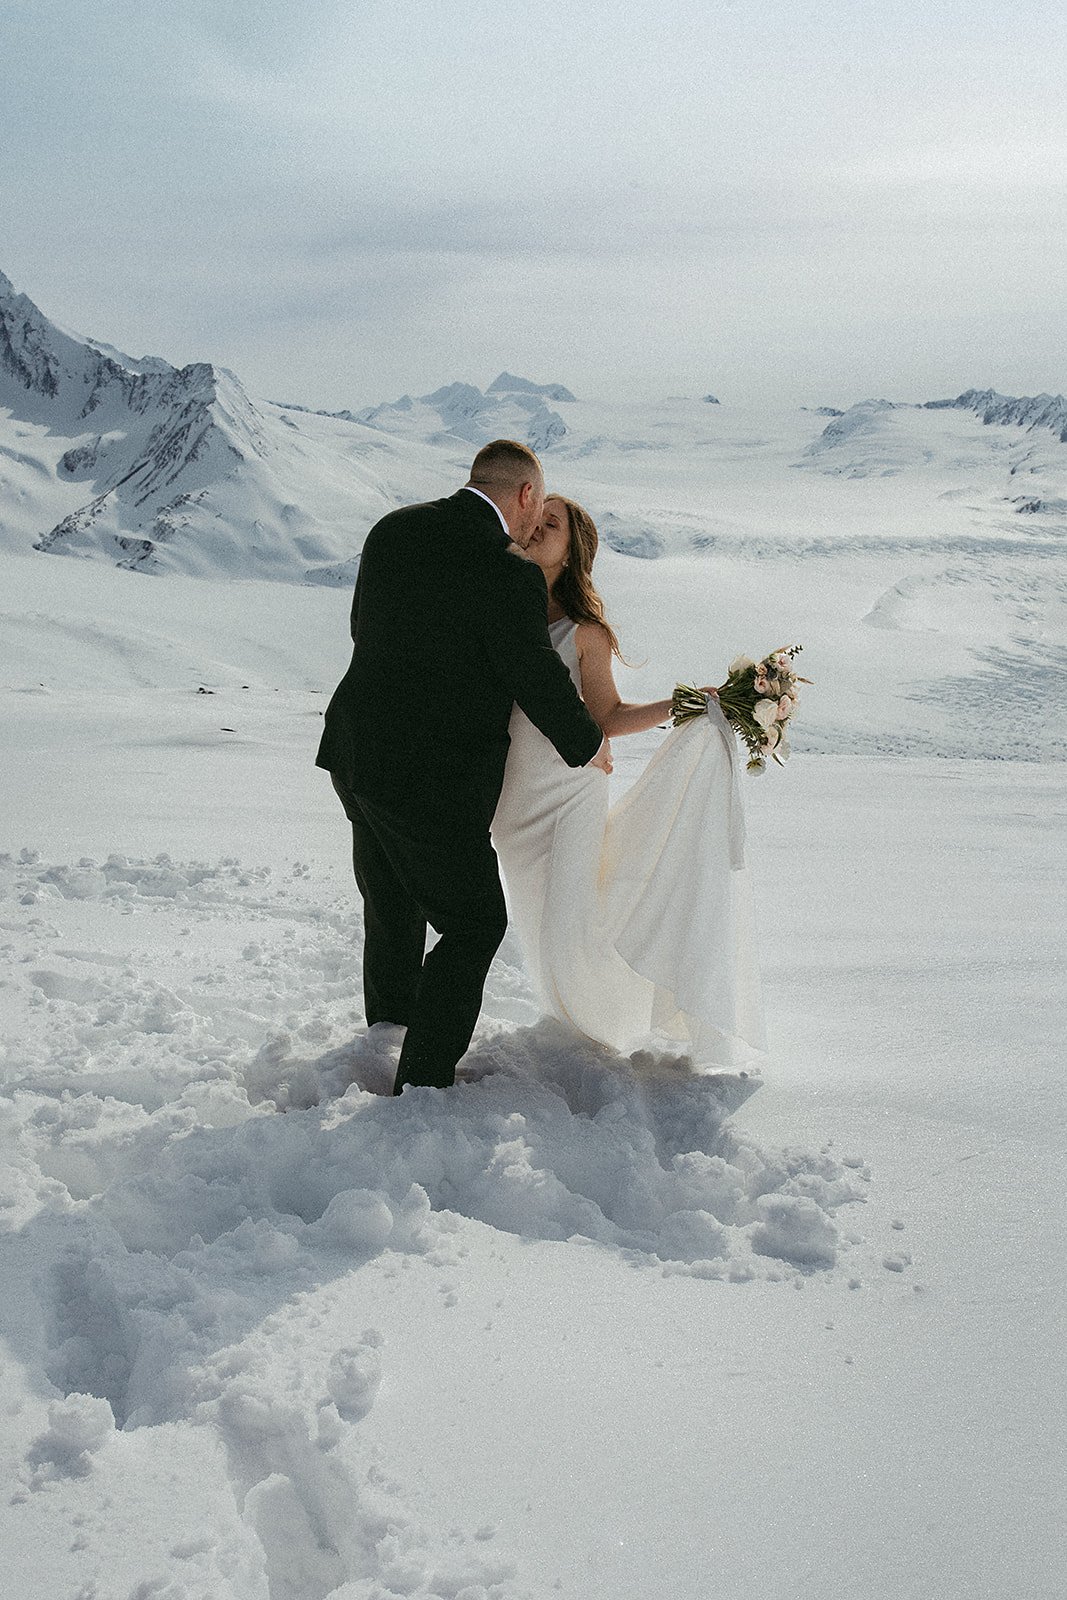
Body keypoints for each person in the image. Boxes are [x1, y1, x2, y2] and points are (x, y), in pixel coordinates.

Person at [316, 442, 610, 1094]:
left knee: (391, 902)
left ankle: (386, 1037)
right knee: (475, 923)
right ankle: (420, 1088)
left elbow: (364, 626)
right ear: (527, 495)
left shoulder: (393, 529)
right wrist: (588, 743)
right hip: (428, 775)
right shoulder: (508, 574)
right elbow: (535, 677)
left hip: (352, 750)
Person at [492, 494, 766, 1070]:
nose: (538, 526)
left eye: (553, 524)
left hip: (573, 790)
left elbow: (607, 717)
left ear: (572, 552)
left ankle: (601, 1030)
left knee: (570, 924)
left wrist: (685, 703)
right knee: (538, 923)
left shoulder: (585, 631)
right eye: (535, 517)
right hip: (514, 797)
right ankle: (566, 1027)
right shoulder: (495, 605)